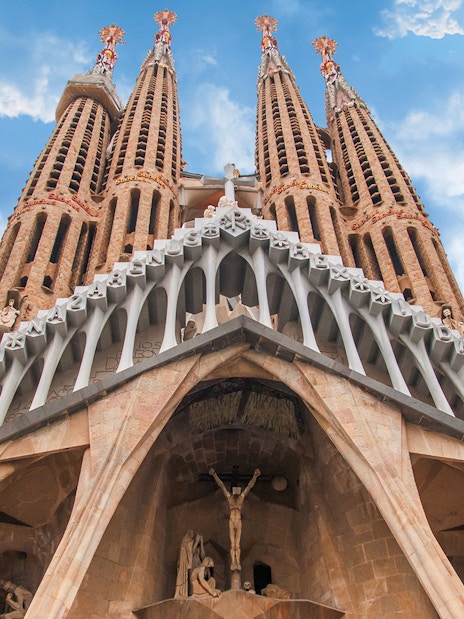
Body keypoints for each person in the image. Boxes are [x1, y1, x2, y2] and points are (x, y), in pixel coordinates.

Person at [209, 468, 261, 570]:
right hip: (232, 521)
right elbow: (222, 486)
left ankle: (238, 562)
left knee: (237, 544)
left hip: (238, 521)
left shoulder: (241, 498)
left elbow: (249, 487)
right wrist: (214, 475)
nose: (237, 493)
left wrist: (255, 476)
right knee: (233, 544)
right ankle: (233, 563)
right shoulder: (229, 498)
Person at [174, 530, 204, 598]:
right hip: (192, 563)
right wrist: (196, 542)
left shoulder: (198, 546)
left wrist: (201, 543)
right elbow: (191, 552)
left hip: (198, 563)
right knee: (192, 579)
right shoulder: (189, 542)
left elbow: (202, 556)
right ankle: (192, 593)